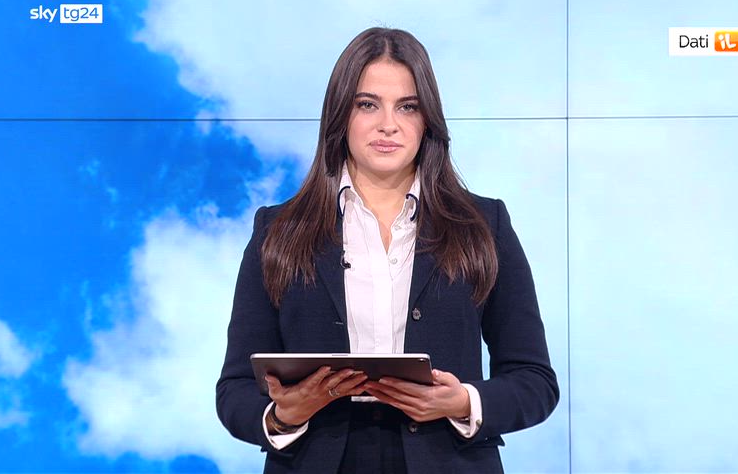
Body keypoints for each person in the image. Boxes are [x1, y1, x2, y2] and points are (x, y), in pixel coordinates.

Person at [216, 27, 559, 474]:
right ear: (340, 115)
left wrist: (462, 401)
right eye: (367, 104)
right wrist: (284, 415)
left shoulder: (483, 224)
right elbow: (234, 391)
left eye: (407, 106)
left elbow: (535, 381)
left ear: (428, 119)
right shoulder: (277, 230)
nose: (388, 125)